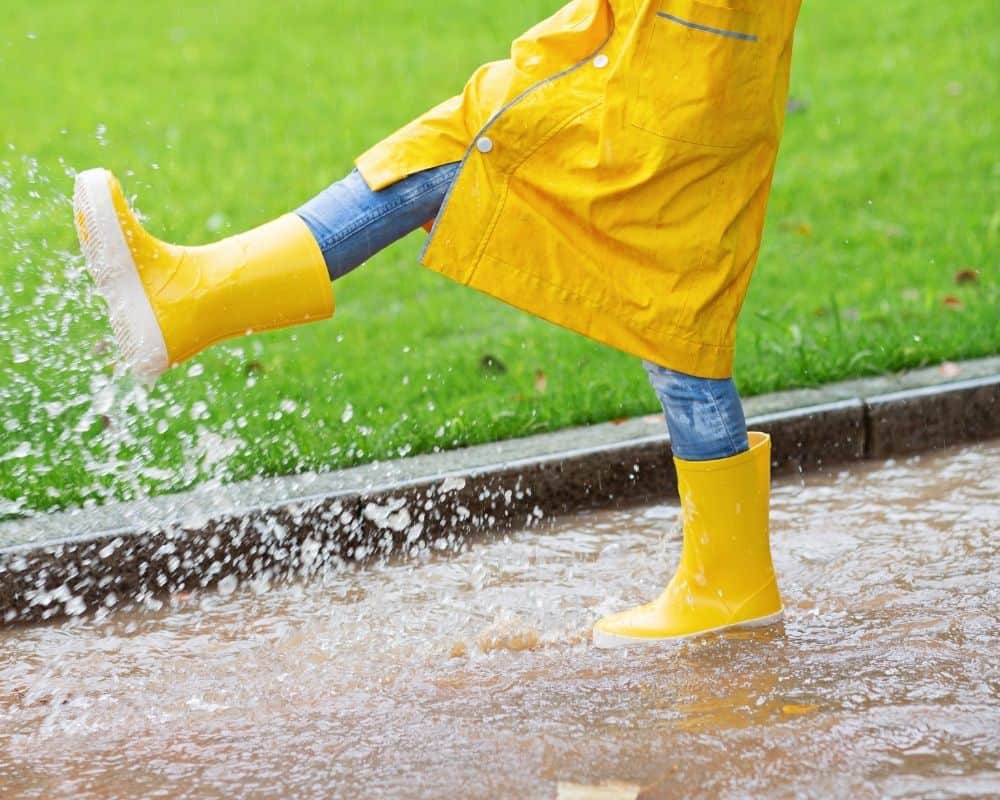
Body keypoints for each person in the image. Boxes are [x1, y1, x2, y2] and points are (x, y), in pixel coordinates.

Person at [73, 0, 803, 647]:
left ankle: (192, 299)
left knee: (461, 153)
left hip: (659, 77)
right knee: (674, 305)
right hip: (698, 74)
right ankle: (729, 580)